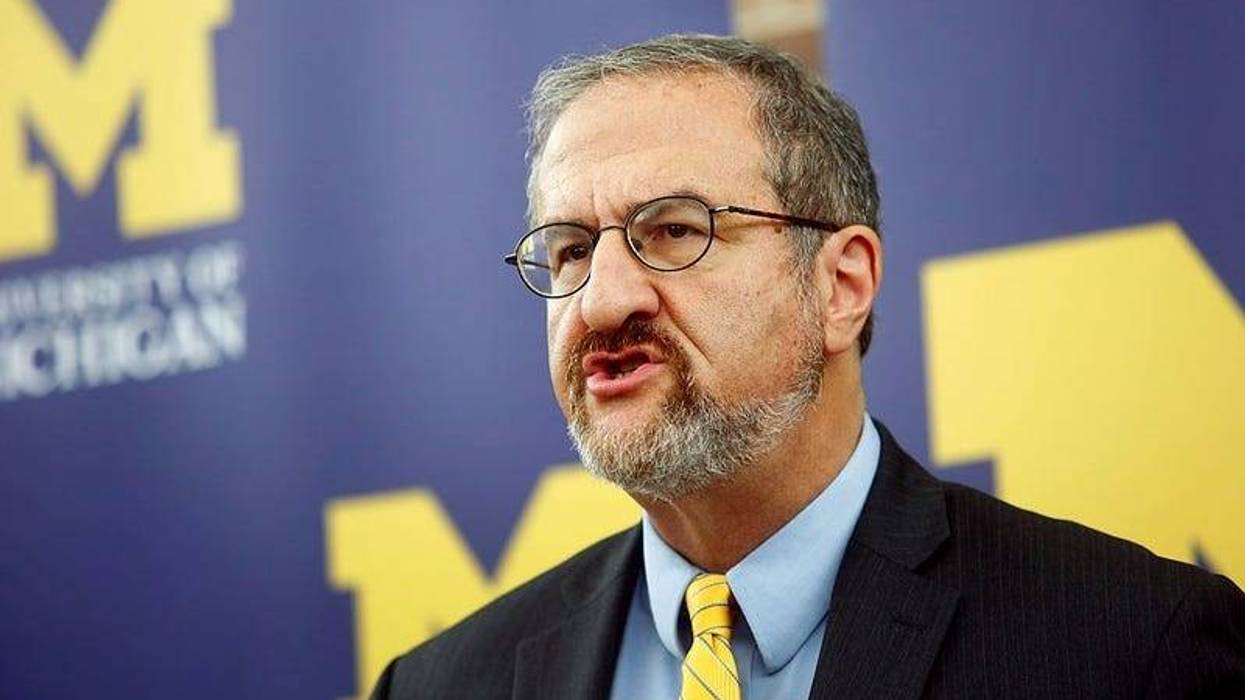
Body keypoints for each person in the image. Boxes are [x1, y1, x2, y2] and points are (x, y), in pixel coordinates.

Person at [371, 34, 1245, 699]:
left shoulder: (1129, 647)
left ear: (841, 284)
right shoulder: (442, 683)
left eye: (674, 230)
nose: (601, 302)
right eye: (567, 251)